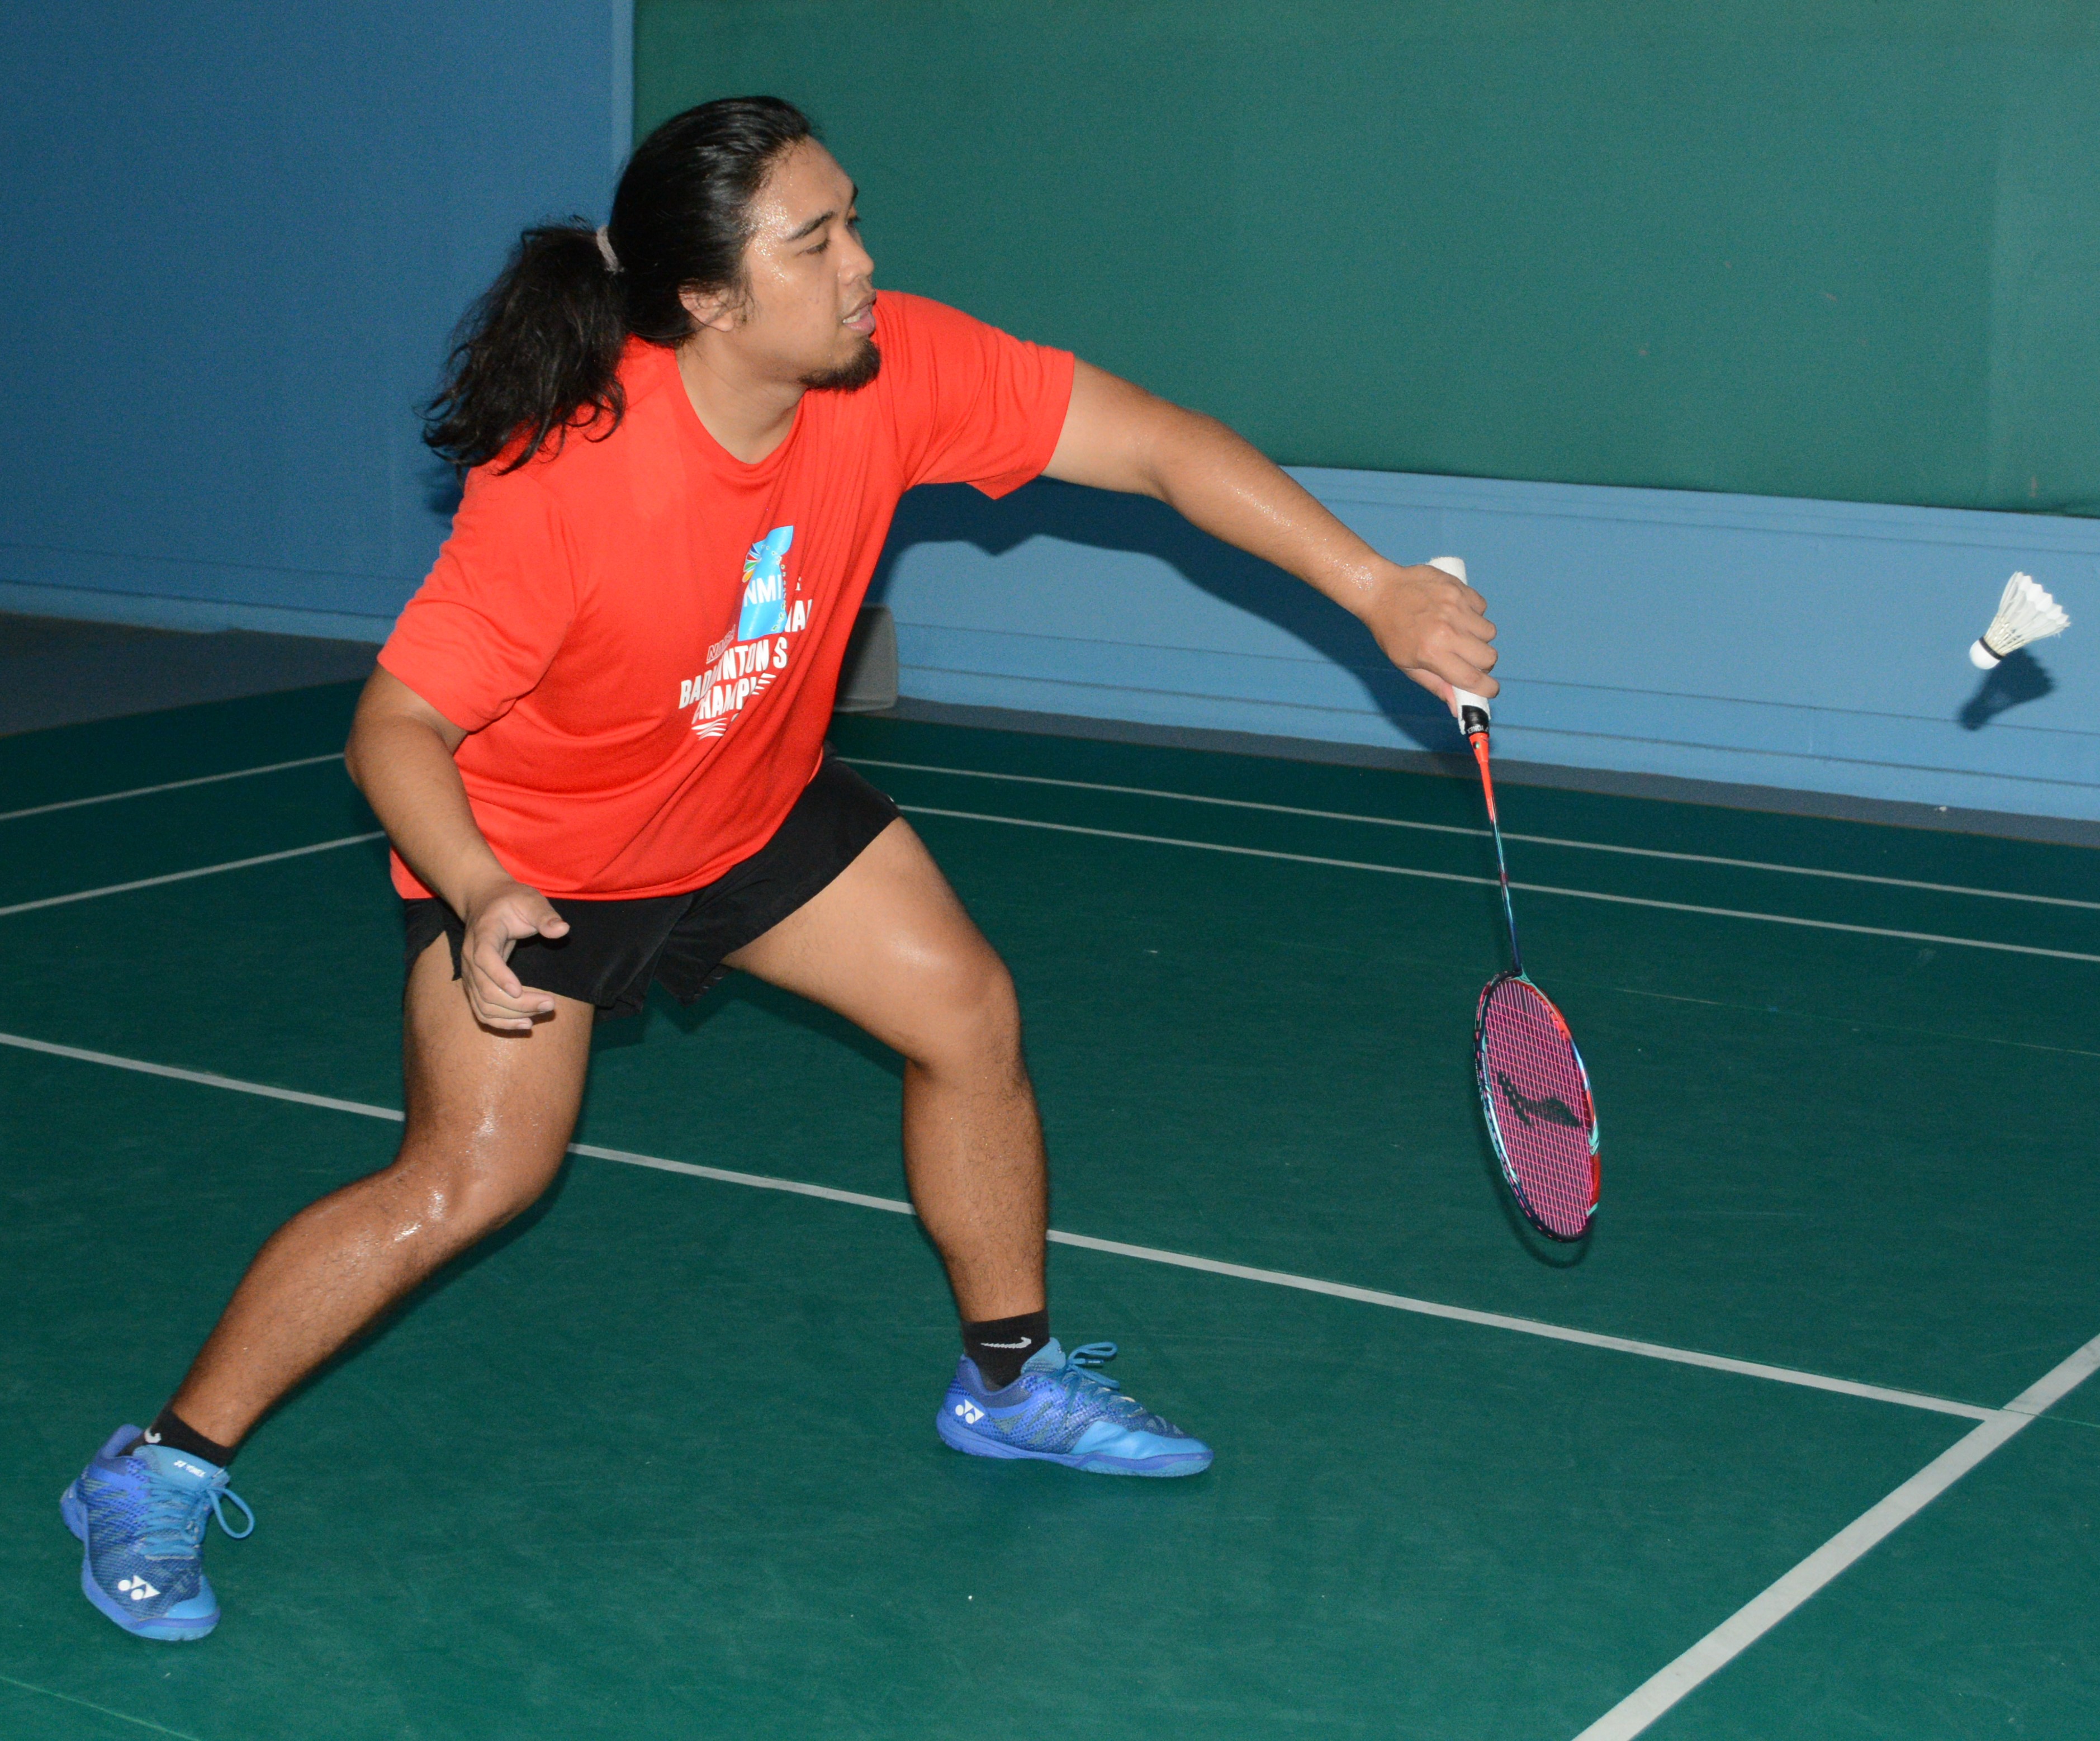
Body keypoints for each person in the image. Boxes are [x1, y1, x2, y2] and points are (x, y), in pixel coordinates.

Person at [63, 96, 1497, 1641]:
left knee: (967, 1011)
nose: (863, 265)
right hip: (548, 863)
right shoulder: (568, 478)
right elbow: (393, 723)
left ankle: (1009, 1382)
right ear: (703, 298)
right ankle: (153, 1467)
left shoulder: (893, 369)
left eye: (854, 220)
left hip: (748, 807)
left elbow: (1151, 446)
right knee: (470, 1179)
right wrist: (478, 889)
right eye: (815, 243)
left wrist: (1376, 589)